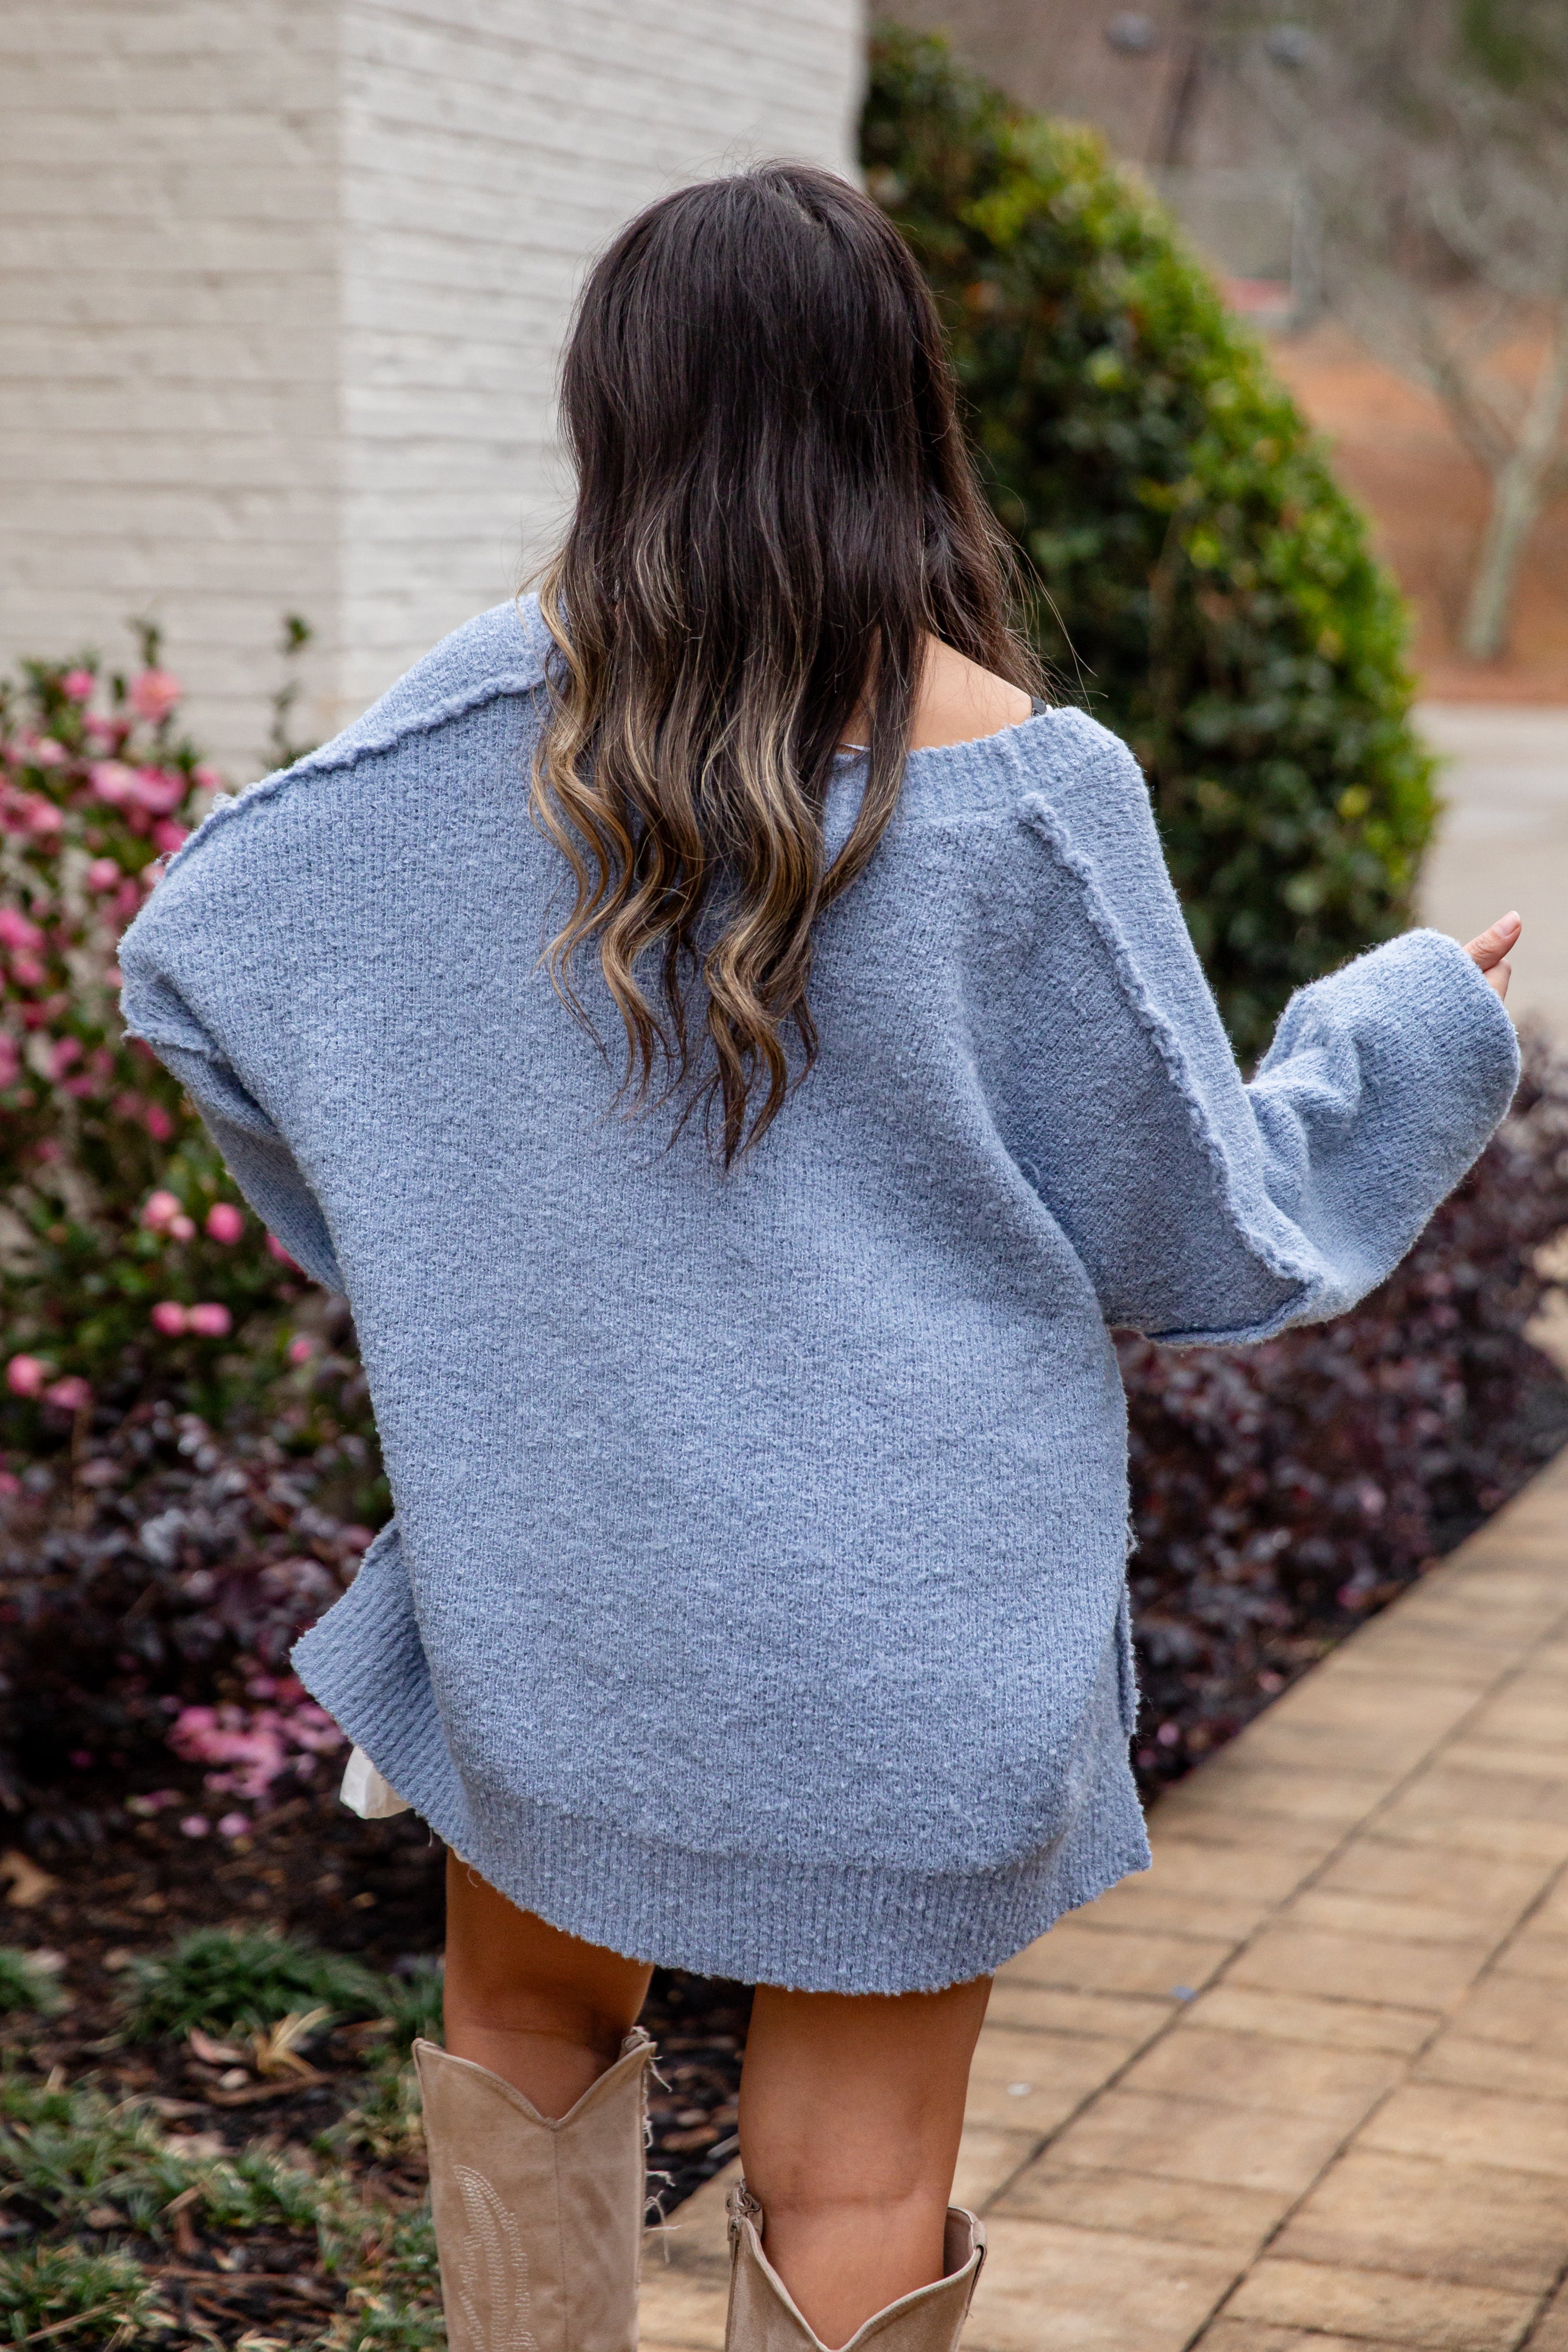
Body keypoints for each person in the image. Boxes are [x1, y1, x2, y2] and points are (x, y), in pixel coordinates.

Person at [118, 163, 1521, 2352]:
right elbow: (1209, 1240)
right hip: (916, 1624)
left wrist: (425, 1252)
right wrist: (1409, 1019)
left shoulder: (469, 735)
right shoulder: (1034, 787)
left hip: (562, 1570)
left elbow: (194, 952)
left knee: (524, 2023)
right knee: (854, 2174)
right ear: (903, 408)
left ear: (619, 414)